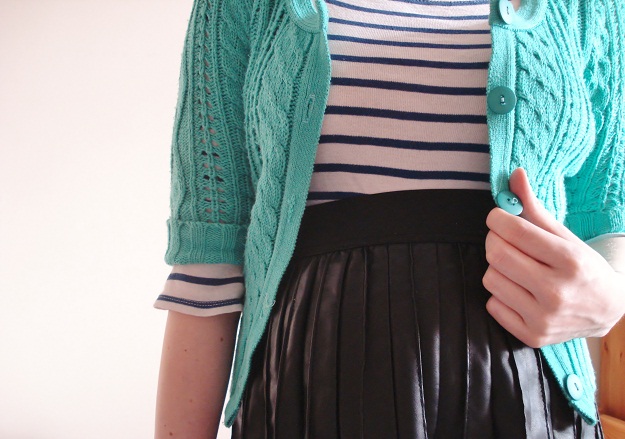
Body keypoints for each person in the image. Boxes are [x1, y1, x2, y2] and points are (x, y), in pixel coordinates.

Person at [154, 0, 625, 437]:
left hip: (525, 394)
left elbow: (609, 209)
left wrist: (612, 297)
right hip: (313, 386)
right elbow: (208, 259)